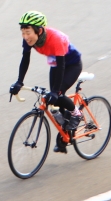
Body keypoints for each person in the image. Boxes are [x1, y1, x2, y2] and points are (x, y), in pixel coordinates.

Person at [9, 11, 84, 153]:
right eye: (23, 32)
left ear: (40, 30)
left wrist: (56, 91)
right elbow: (25, 59)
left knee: (58, 95)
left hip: (71, 65)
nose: (25, 36)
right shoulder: (28, 40)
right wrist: (19, 82)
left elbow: (62, 65)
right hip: (55, 63)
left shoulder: (55, 39)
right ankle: (65, 136)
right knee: (54, 100)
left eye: (28, 32)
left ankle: (76, 114)